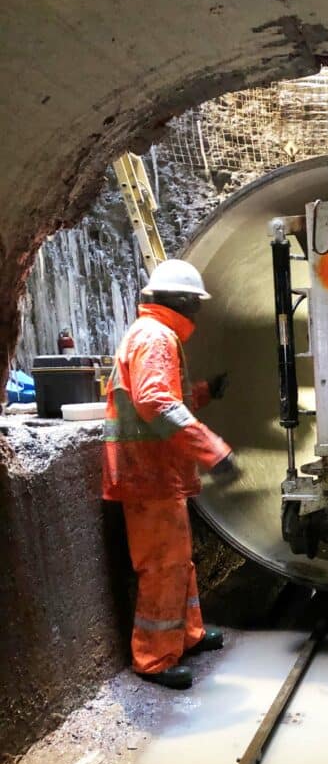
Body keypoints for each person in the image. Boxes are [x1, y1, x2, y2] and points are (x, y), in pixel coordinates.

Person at [103, 259, 240, 690]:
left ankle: (187, 635)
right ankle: (155, 659)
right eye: (195, 303)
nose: (198, 313)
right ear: (180, 301)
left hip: (154, 472)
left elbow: (164, 401)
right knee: (163, 566)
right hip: (147, 474)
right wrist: (211, 450)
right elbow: (156, 403)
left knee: (179, 562)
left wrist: (201, 392)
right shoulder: (156, 337)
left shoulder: (155, 336)